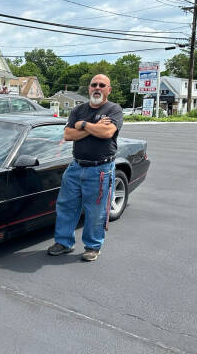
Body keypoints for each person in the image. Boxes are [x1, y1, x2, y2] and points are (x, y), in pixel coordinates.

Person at [47, 74, 123, 261]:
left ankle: (92, 246)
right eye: (93, 85)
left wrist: (83, 126)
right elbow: (68, 134)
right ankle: (64, 243)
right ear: (89, 88)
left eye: (102, 85)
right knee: (66, 207)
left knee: (96, 211)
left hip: (101, 170)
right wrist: (91, 126)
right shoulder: (78, 110)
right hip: (75, 167)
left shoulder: (113, 109)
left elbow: (106, 132)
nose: (97, 88)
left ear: (108, 89)